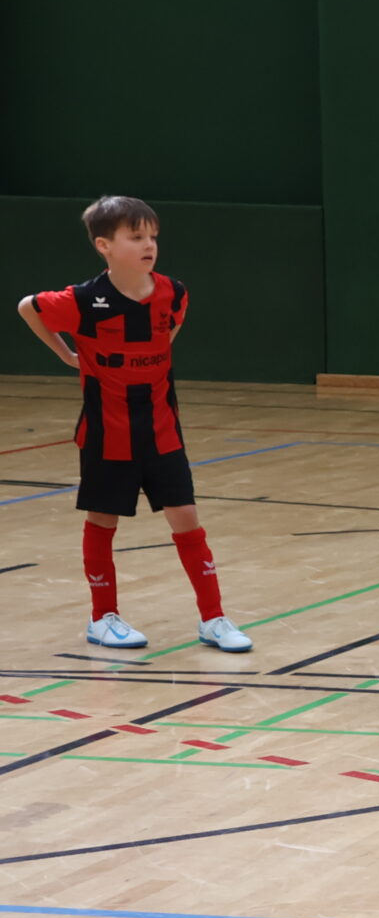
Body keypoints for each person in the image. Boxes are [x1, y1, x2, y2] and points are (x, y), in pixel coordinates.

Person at [13, 196, 251, 653]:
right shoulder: (83, 300)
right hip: (107, 431)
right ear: (104, 245)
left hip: (161, 428)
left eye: (152, 237)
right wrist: (66, 354)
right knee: (103, 520)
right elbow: (28, 307)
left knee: (187, 520)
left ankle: (213, 619)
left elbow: (169, 333)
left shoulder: (173, 292)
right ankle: (102, 618)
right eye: (136, 237)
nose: (149, 245)